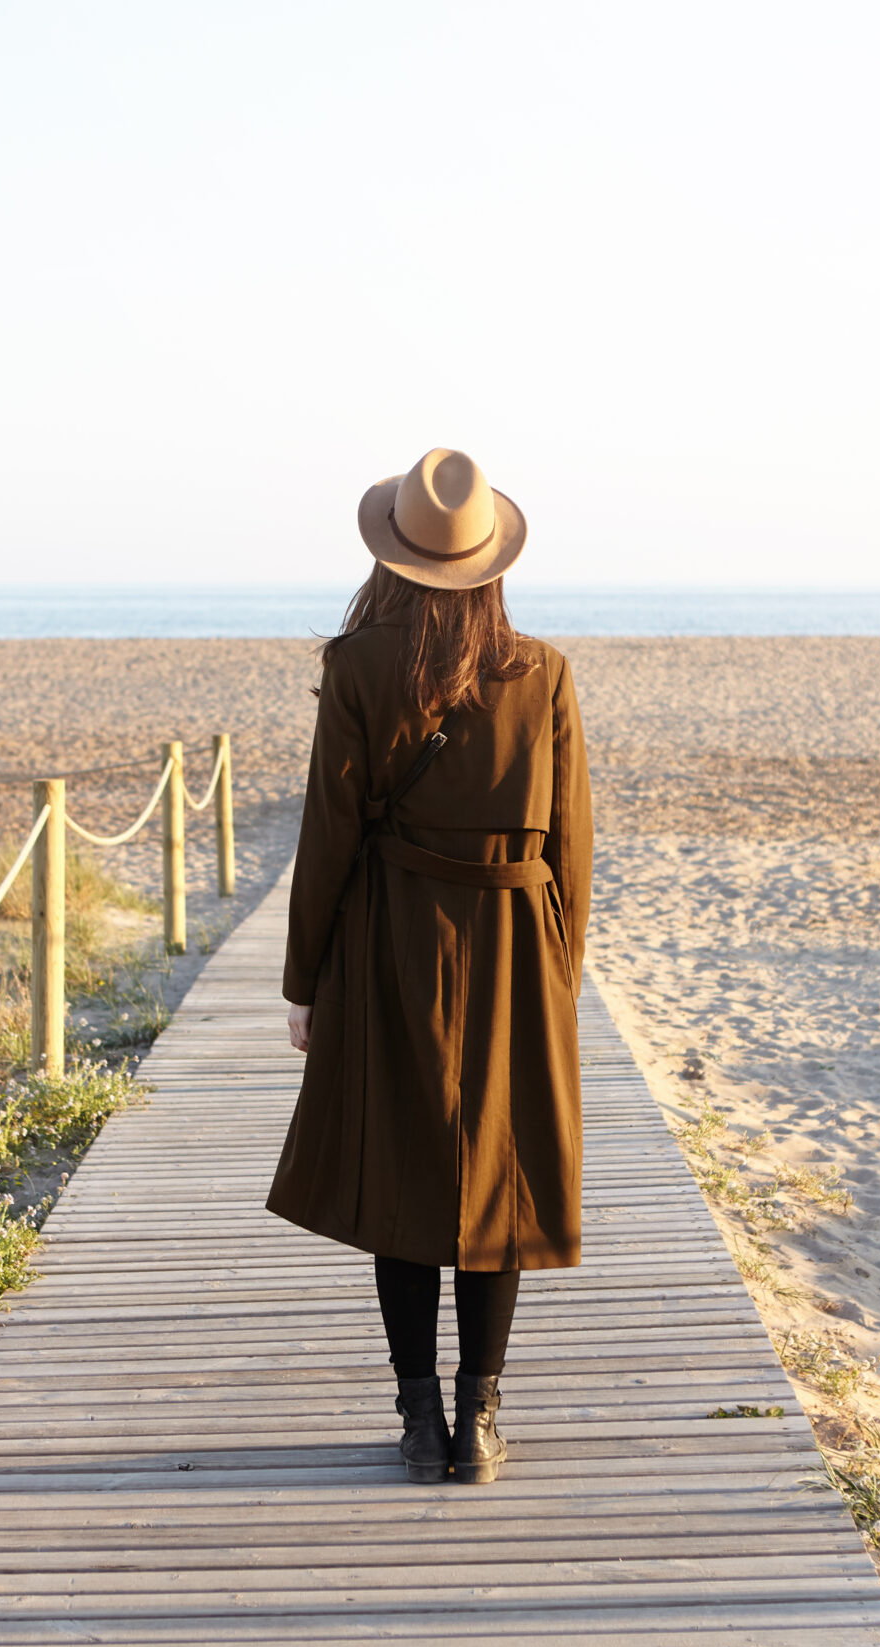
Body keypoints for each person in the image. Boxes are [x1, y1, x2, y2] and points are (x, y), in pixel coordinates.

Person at [267, 447, 591, 1486]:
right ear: (490, 561)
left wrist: (303, 980)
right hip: (512, 945)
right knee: (494, 1176)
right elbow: (571, 843)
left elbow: (327, 834)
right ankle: (480, 1420)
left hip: (391, 936)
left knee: (401, 1171)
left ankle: (418, 1421)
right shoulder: (542, 673)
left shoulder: (359, 665)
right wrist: (561, 967)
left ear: (395, 558)